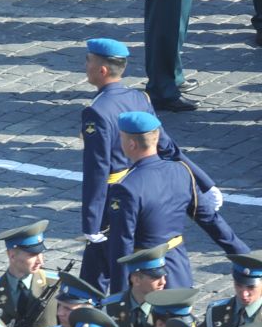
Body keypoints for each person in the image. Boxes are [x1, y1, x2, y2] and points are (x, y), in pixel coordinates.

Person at [74, 37, 214, 284]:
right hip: (146, 186)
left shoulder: (96, 111)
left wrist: (91, 222)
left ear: (102, 70)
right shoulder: (140, 98)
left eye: (88, 61)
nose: (85, 65)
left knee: (98, 273)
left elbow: (97, 169)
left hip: (113, 196)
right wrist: (205, 182)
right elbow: (168, 147)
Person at [102, 112, 244, 291]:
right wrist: (241, 252)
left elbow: (122, 243)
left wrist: (119, 294)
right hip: (178, 267)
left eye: (121, 137)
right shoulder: (181, 170)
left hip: (145, 276)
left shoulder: (125, 187)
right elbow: (209, 218)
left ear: (131, 144)